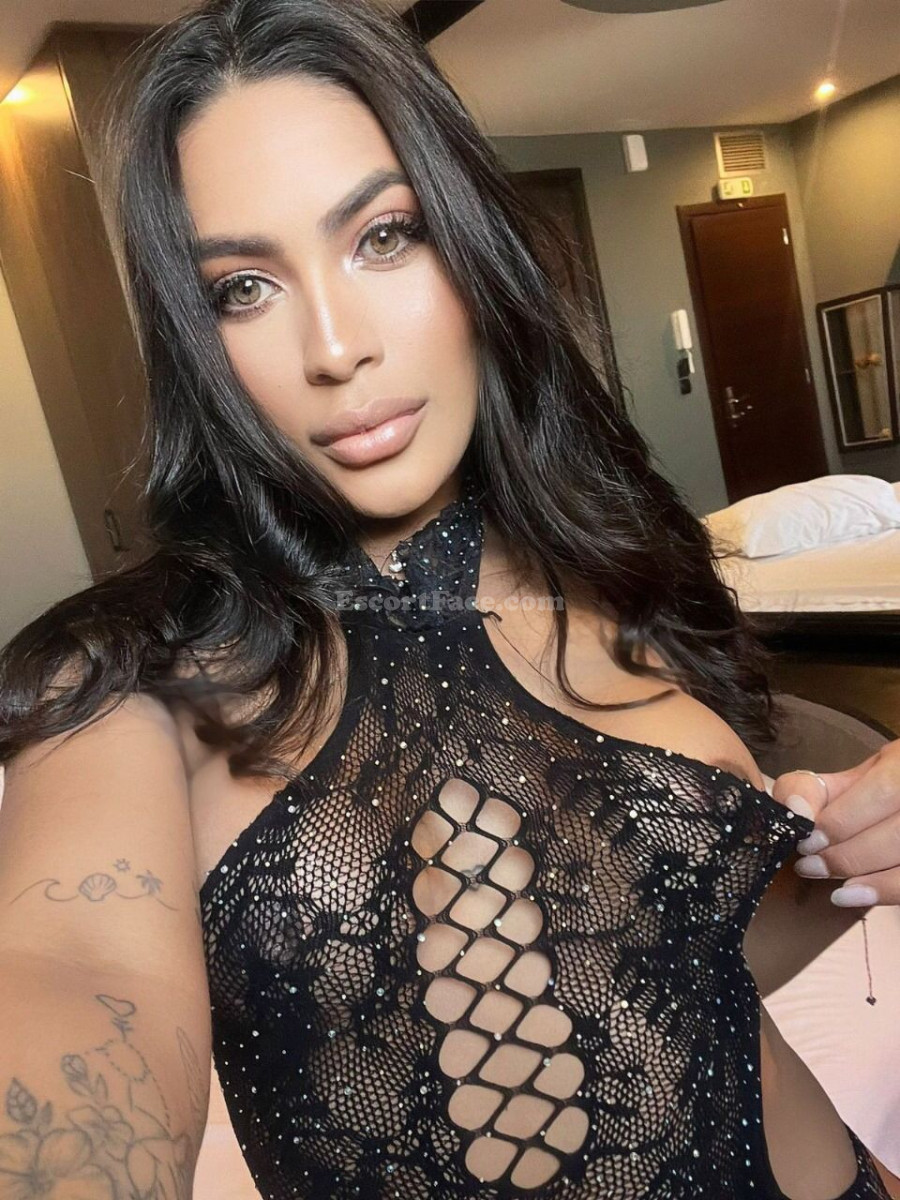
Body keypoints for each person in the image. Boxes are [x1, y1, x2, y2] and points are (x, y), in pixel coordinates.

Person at [0, 1, 898, 1197]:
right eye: (244, 288)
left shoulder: (617, 557)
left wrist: (854, 860)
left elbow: (676, 962)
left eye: (385, 236)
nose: (336, 347)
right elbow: (73, 973)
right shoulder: (132, 681)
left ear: (471, 242)